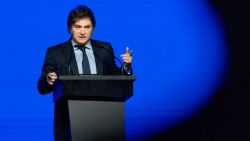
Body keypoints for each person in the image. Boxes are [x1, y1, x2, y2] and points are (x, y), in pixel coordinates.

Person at [37, 5, 132, 141]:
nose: (83, 32)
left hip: (104, 120)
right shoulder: (56, 52)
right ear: (70, 28)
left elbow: (116, 79)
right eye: (78, 27)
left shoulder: (104, 49)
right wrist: (48, 80)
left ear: (92, 28)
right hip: (68, 123)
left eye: (87, 27)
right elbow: (41, 86)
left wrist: (126, 66)